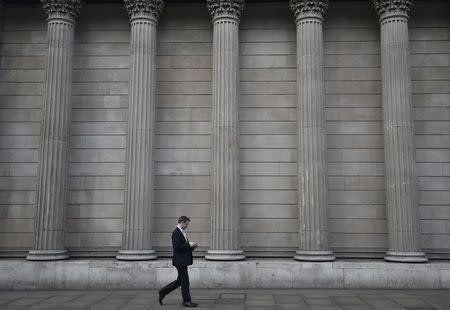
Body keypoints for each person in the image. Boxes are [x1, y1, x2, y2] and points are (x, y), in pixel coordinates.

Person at [159, 216, 199, 307]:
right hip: (180, 261)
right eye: (186, 224)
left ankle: (162, 292)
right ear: (181, 222)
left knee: (180, 281)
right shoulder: (176, 233)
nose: (187, 226)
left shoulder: (182, 232)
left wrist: (192, 247)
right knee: (185, 281)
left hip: (182, 261)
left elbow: (183, 248)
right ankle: (186, 301)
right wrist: (189, 244)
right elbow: (177, 248)